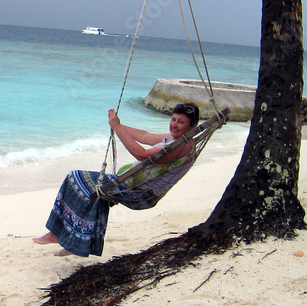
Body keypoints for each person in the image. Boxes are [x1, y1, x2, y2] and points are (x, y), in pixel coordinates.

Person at [33, 103, 200, 257]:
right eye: (173, 119)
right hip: (132, 186)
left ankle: (58, 234)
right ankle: (73, 242)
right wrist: (116, 123)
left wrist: (118, 128)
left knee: (75, 178)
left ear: (192, 126)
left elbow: (141, 154)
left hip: (140, 194)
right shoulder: (177, 140)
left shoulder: (181, 147)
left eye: (181, 122)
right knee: (95, 191)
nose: (174, 124)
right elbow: (144, 136)